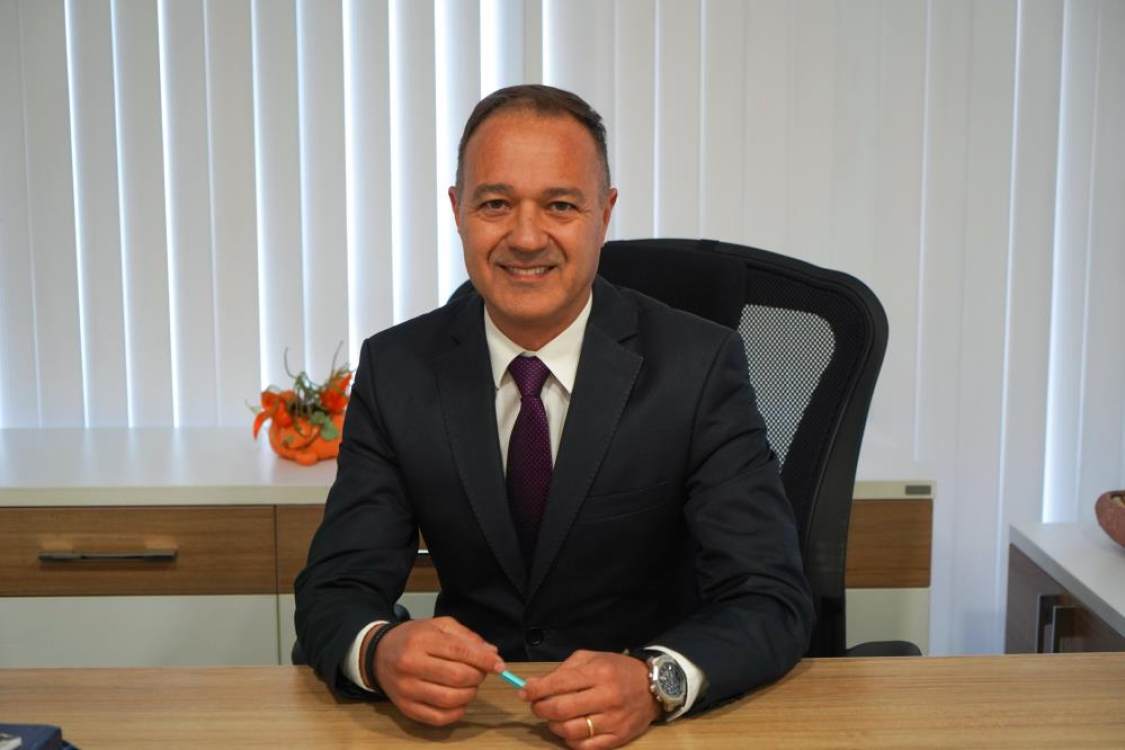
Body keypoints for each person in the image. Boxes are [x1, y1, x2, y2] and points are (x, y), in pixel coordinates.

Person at [295, 84, 813, 749]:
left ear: (605, 213)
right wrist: (378, 650)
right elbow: (334, 589)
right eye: (495, 203)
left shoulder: (698, 366)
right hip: (474, 723)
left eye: (560, 205)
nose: (525, 237)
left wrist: (656, 680)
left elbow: (769, 596)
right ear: (457, 211)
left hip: (646, 728)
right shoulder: (397, 369)